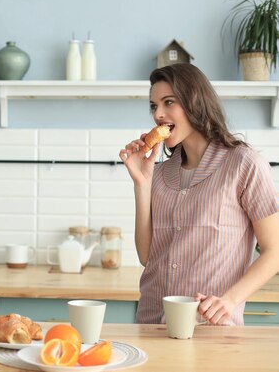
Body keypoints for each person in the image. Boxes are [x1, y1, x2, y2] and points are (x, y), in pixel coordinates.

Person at [119, 63, 279, 326]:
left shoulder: (243, 164)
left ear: (195, 101)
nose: (158, 114)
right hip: (152, 322)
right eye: (153, 106)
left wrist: (229, 301)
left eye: (168, 102)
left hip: (210, 327)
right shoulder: (158, 173)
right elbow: (147, 256)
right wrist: (141, 183)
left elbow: (275, 250)